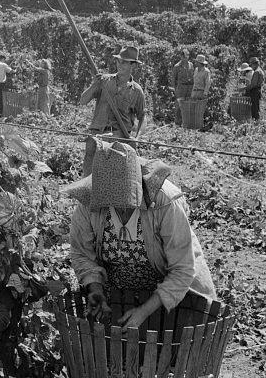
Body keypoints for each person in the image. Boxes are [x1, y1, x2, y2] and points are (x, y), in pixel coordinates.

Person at [63, 137, 216, 330]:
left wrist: (144, 311)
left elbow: (182, 270)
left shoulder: (165, 202)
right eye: (114, 203)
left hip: (171, 296)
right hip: (119, 296)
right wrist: (95, 288)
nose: (121, 209)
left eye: (126, 202)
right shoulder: (90, 203)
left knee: (173, 345)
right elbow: (81, 254)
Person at [78, 45, 146, 145]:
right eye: (119, 61)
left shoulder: (136, 91)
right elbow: (82, 101)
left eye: (125, 62)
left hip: (120, 139)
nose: (120, 64)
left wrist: (137, 138)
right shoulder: (104, 81)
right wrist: (94, 85)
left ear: (133, 65)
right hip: (97, 136)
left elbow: (143, 117)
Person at [170, 49, 195, 125]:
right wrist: (175, 90)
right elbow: (173, 79)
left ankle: (187, 123)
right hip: (181, 88)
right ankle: (178, 123)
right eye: (183, 56)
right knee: (179, 106)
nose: (185, 57)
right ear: (181, 56)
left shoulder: (191, 65)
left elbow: (193, 76)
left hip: (189, 88)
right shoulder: (177, 66)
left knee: (188, 105)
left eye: (186, 56)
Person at [247, 56, 265, 121]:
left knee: (254, 108)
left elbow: (253, 84)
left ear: (255, 64)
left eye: (251, 65)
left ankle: (256, 121)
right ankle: (257, 120)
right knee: (256, 107)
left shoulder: (257, 72)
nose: (251, 67)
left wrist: (246, 88)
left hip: (254, 91)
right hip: (258, 90)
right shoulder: (261, 71)